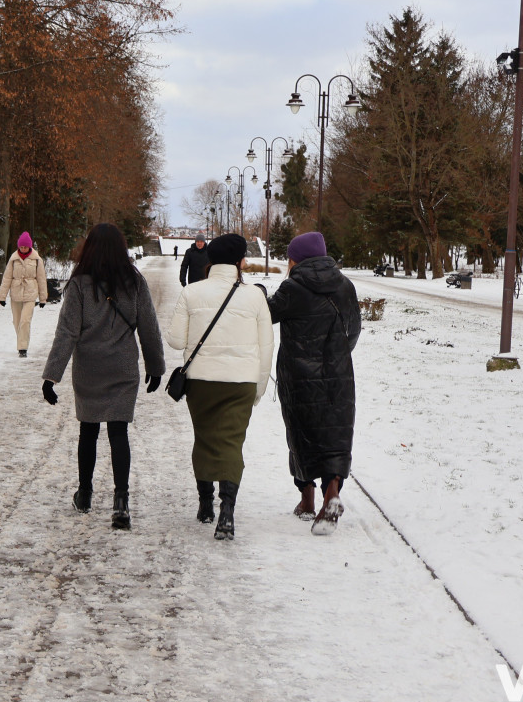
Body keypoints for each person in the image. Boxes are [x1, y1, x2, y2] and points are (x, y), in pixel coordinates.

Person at [42, 223, 166, 530]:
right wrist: (155, 366)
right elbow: (149, 326)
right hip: (123, 368)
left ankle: (84, 494)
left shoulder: (79, 284)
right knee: (118, 432)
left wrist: (51, 376)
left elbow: (67, 333)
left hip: (89, 369)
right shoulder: (134, 282)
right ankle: (121, 501)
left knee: (88, 431)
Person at [166, 234, 273, 540]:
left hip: (201, 381)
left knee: (205, 437)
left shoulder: (192, 293)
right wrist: (259, 388)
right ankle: (227, 509)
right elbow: (267, 347)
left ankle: (205, 504)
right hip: (241, 381)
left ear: (210, 261)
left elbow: (175, 340)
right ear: (241, 262)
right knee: (231, 442)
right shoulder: (255, 297)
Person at [266, 231, 360, 536]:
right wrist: (335, 358)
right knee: (334, 433)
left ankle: (307, 499)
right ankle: (331, 491)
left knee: (301, 432)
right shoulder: (345, 286)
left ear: (297, 259)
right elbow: (353, 330)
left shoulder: (293, 288)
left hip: (299, 375)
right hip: (338, 374)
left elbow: (267, 313)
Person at [0, 231, 49, 357]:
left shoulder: (37, 259)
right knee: (17, 322)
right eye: (21, 246)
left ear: (30, 247)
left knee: (25, 320)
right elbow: (7, 278)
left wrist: (43, 298)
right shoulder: (13, 259)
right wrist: (2, 296)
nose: (23, 249)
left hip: (30, 294)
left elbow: (41, 279)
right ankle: (22, 341)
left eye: (25, 246)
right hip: (15, 293)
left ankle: (22, 348)